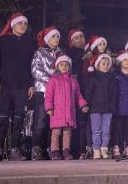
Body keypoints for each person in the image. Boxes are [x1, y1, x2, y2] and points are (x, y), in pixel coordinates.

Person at [0, 12, 35, 161]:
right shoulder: (1, 41)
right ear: (13, 25)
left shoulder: (30, 43)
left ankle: (14, 150)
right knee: (1, 118)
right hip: (4, 87)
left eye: (25, 24)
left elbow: (34, 66)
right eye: (20, 23)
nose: (23, 26)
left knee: (18, 119)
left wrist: (32, 85)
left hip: (22, 87)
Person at [44, 52, 89, 160]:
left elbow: (78, 95)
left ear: (69, 66)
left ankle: (66, 151)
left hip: (69, 112)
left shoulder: (73, 80)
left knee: (67, 132)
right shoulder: (53, 80)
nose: (64, 67)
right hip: (57, 112)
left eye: (66, 64)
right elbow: (48, 96)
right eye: (61, 64)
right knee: (56, 132)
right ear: (57, 66)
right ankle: (54, 151)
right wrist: (49, 108)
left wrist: (83, 105)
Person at [31, 26, 62, 160]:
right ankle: (37, 148)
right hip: (43, 92)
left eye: (58, 37)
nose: (56, 39)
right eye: (53, 36)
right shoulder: (40, 52)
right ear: (47, 38)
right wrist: (52, 81)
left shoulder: (62, 54)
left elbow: (66, 71)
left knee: (54, 122)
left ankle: (52, 148)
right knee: (40, 120)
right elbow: (36, 70)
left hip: (58, 94)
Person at [84, 53, 117, 159]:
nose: (106, 66)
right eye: (103, 64)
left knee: (106, 130)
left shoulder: (112, 79)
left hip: (108, 109)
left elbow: (114, 94)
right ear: (97, 65)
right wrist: (86, 105)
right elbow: (88, 93)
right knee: (96, 130)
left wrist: (113, 106)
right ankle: (96, 149)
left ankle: (104, 148)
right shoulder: (93, 79)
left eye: (108, 64)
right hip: (95, 109)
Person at [66, 29, 89, 159]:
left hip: (86, 91)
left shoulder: (89, 52)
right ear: (72, 41)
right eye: (77, 38)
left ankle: (82, 150)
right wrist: (82, 57)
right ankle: (72, 150)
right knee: (73, 121)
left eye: (82, 36)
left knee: (83, 122)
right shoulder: (69, 53)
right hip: (73, 91)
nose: (80, 39)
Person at [113, 51, 128, 159]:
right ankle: (117, 146)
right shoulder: (116, 76)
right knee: (118, 129)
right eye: (125, 60)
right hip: (119, 108)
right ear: (120, 62)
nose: (127, 62)